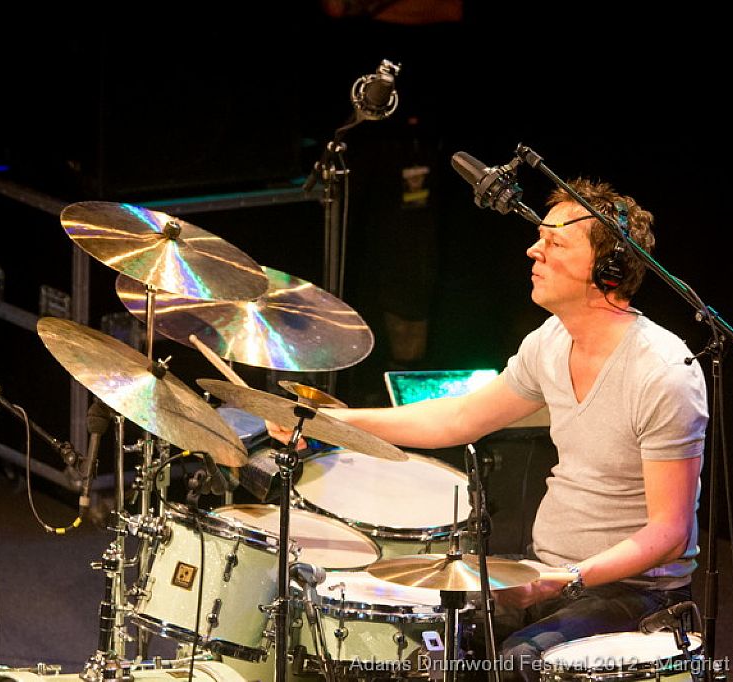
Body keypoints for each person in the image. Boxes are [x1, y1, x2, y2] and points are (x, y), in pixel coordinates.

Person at [268, 178, 708, 681]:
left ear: (607, 269)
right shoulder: (551, 340)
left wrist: (566, 578)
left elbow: (669, 533)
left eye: (555, 242)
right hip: (547, 569)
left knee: (518, 664)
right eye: (540, 238)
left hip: (635, 592)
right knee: (422, 640)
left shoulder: (663, 372)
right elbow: (459, 418)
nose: (533, 250)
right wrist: (328, 421)